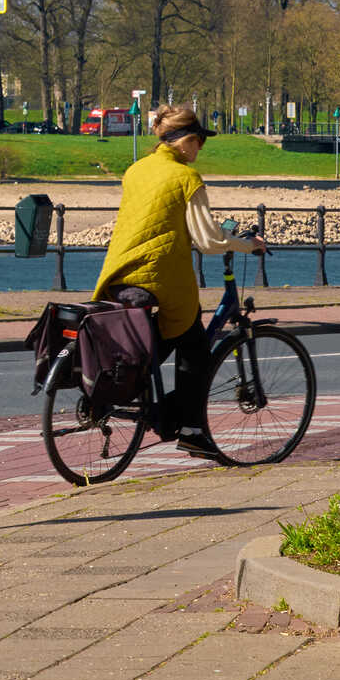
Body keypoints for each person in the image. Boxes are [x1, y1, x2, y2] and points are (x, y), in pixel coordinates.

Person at [92, 104, 265, 459]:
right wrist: (247, 244)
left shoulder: (136, 170)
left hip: (120, 272)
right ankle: (190, 431)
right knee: (196, 348)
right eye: (200, 141)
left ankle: (148, 401)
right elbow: (208, 240)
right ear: (186, 141)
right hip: (158, 276)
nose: (201, 149)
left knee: (154, 345)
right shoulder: (186, 178)